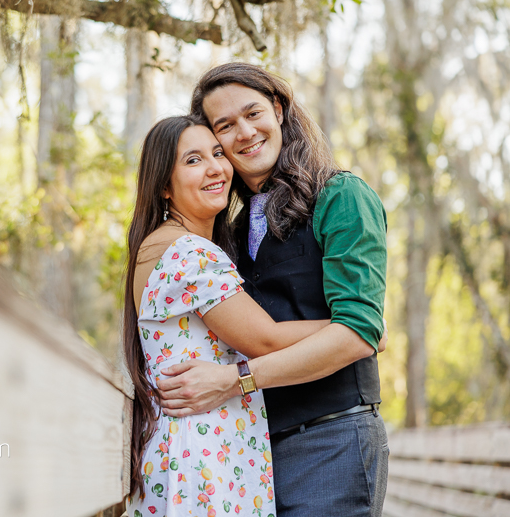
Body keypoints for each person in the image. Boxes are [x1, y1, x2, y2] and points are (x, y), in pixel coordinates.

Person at [157, 63, 389, 517]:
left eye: (253, 113)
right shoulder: (233, 229)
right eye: (225, 126)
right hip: (251, 454)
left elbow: (359, 333)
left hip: (332, 442)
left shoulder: (341, 196)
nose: (244, 132)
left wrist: (234, 381)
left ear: (279, 110)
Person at [125, 115, 341, 517]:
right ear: (163, 187)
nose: (216, 168)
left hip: (197, 447)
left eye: (218, 153)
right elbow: (265, 339)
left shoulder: (164, 246)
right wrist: (353, 327)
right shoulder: (188, 252)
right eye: (193, 160)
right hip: (202, 454)